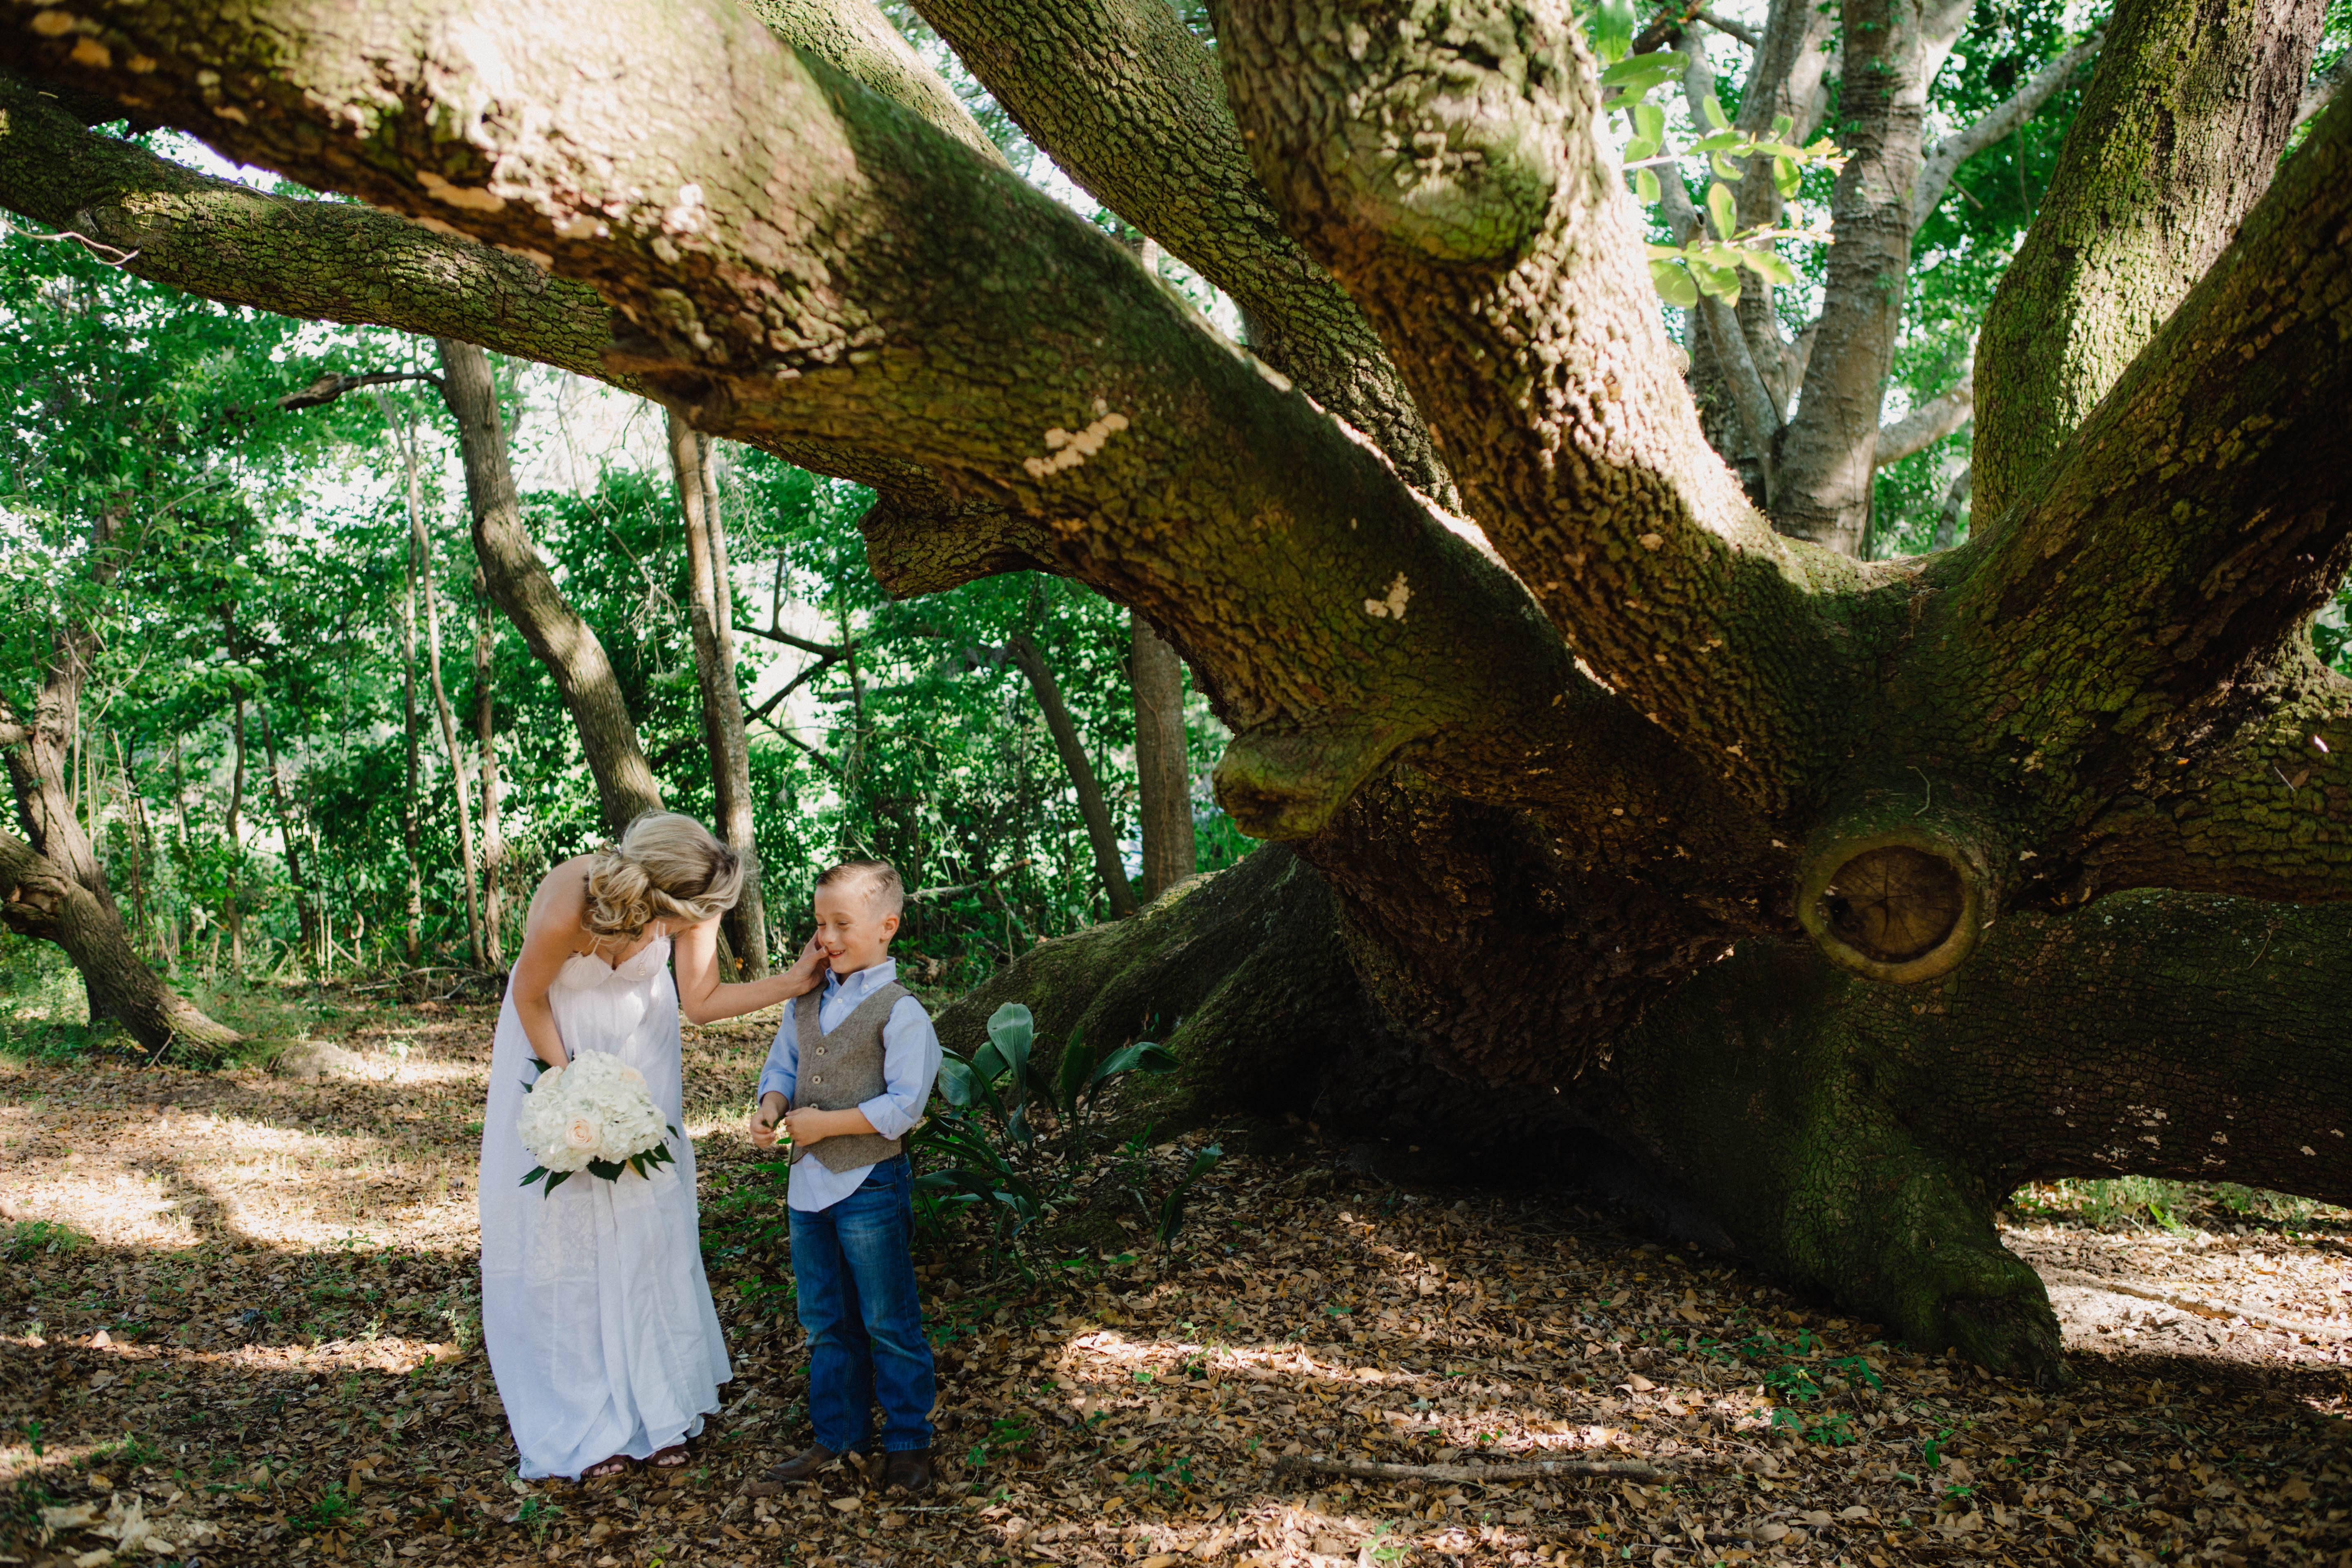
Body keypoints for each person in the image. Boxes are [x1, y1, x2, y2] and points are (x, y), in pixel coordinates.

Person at [479, 812, 826, 1482]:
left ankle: (657, 1406)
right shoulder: (568, 902)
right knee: (569, 1226)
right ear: (657, 896)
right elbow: (528, 995)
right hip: (556, 1046)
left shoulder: (703, 882)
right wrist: (575, 1090)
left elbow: (699, 999)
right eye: (683, 919)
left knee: (647, 1222)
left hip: (642, 1059)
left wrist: (791, 983)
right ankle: (584, 1419)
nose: (695, 926)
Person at [743, 859, 942, 1496]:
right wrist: (772, 1105)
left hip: (869, 1189)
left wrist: (827, 1126)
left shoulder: (901, 1012)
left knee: (888, 1319)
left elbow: (904, 1108)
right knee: (826, 1320)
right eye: (819, 924)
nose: (825, 938)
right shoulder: (807, 999)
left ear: (886, 927)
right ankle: (839, 1437)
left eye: (841, 924)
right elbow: (784, 1064)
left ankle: (910, 1441)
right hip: (808, 1192)